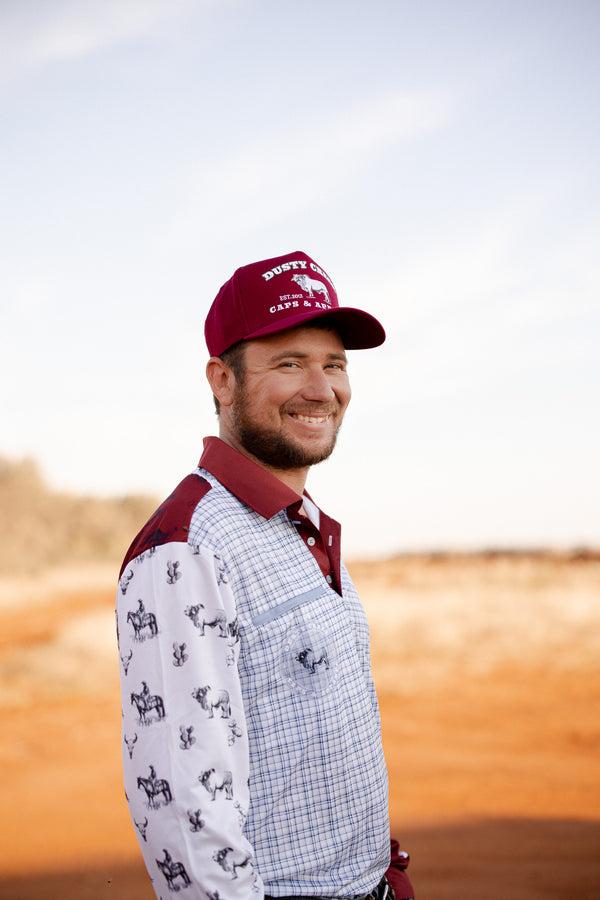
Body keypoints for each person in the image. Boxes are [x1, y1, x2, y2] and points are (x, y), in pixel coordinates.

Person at [116, 250, 414, 900]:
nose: (322, 388)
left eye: (333, 363)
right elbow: (187, 823)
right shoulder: (189, 549)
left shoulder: (298, 522)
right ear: (222, 380)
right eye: (288, 363)